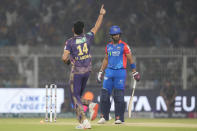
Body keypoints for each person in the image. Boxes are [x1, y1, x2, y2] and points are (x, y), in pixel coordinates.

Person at [62, 5, 106, 129]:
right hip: (87, 70)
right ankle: (89, 109)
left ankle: (85, 121)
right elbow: (96, 27)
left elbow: (64, 58)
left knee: (75, 98)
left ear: (73, 30)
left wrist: (68, 62)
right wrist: (101, 14)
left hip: (76, 72)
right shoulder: (87, 37)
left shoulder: (70, 42)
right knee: (77, 97)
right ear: (83, 29)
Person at [97, 25, 140, 124]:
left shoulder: (124, 46)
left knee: (119, 96)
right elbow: (106, 59)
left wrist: (134, 71)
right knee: (104, 96)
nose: (117, 36)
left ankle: (119, 118)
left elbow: (130, 59)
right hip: (109, 72)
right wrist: (100, 71)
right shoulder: (108, 46)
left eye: (118, 34)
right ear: (111, 36)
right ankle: (104, 116)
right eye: (114, 35)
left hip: (120, 72)